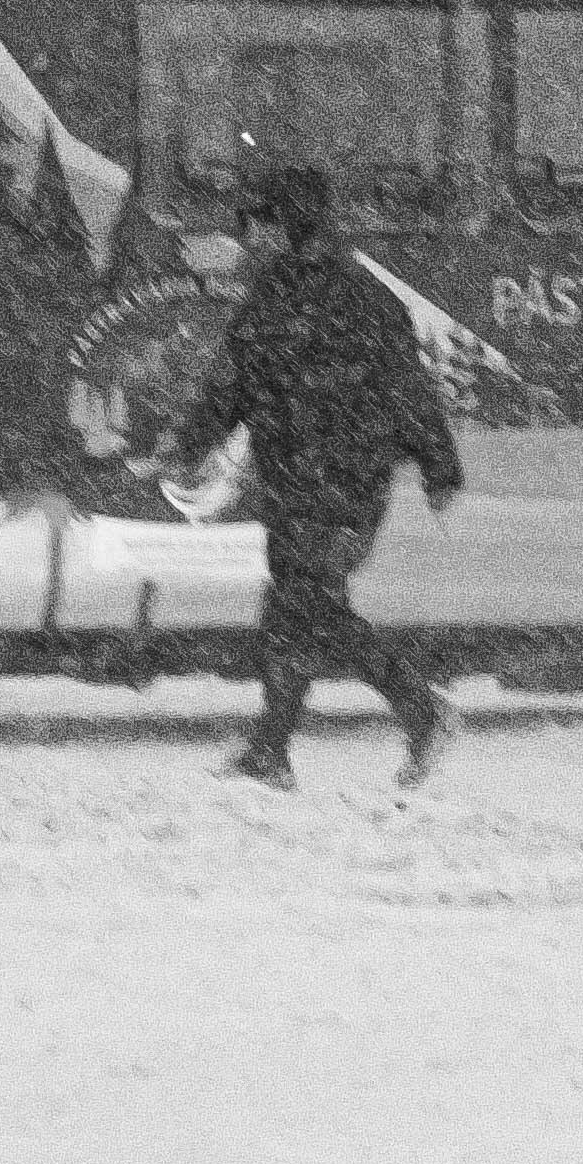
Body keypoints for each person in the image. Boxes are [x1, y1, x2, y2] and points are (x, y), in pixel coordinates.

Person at [166, 162, 462, 790]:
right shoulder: (273, 295)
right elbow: (235, 383)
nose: (250, 234)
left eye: (261, 221)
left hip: (346, 477)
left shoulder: (359, 298)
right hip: (291, 477)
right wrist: (190, 444)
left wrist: (438, 461)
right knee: (297, 611)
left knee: (306, 606)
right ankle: (277, 749)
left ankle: (414, 710)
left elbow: (407, 388)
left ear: (292, 221)